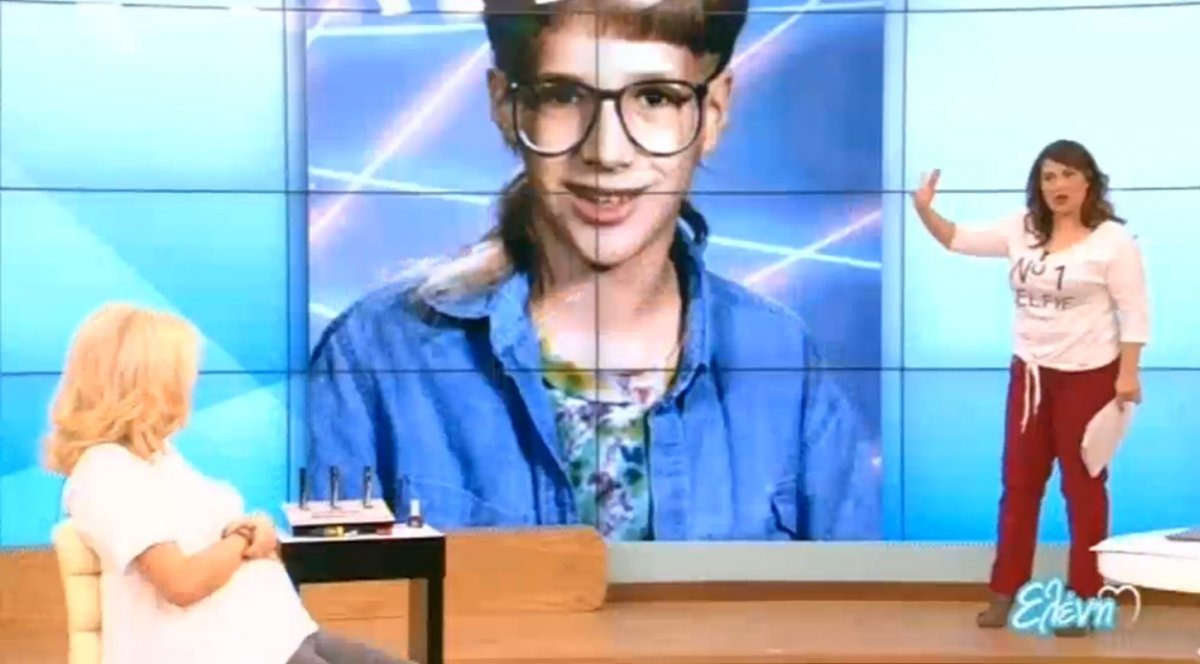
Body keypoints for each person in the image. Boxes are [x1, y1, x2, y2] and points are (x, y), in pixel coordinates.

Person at [306, 0, 880, 541]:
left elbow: (851, 604)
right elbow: (331, 604)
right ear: (507, 106)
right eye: (564, 95)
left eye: (654, 97)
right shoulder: (374, 357)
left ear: (712, 113)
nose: (607, 151)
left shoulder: (780, 358)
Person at [46, 303, 410, 664]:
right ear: (148, 383)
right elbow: (182, 583)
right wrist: (243, 541)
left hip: (280, 635)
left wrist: (254, 529)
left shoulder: (160, 458)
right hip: (223, 650)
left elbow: (214, 537)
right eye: (183, 374)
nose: (191, 385)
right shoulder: (105, 471)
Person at [911, 139, 1150, 637]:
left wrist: (1128, 374)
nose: (1057, 185)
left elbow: (1134, 312)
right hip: (1031, 376)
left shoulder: (1112, 241)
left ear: (1088, 181)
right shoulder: (1021, 228)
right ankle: (1006, 590)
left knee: (1083, 490)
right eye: (1048, 177)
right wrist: (924, 210)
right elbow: (957, 239)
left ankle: (1084, 598)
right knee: (1019, 485)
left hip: (1089, 376)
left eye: (1067, 175)